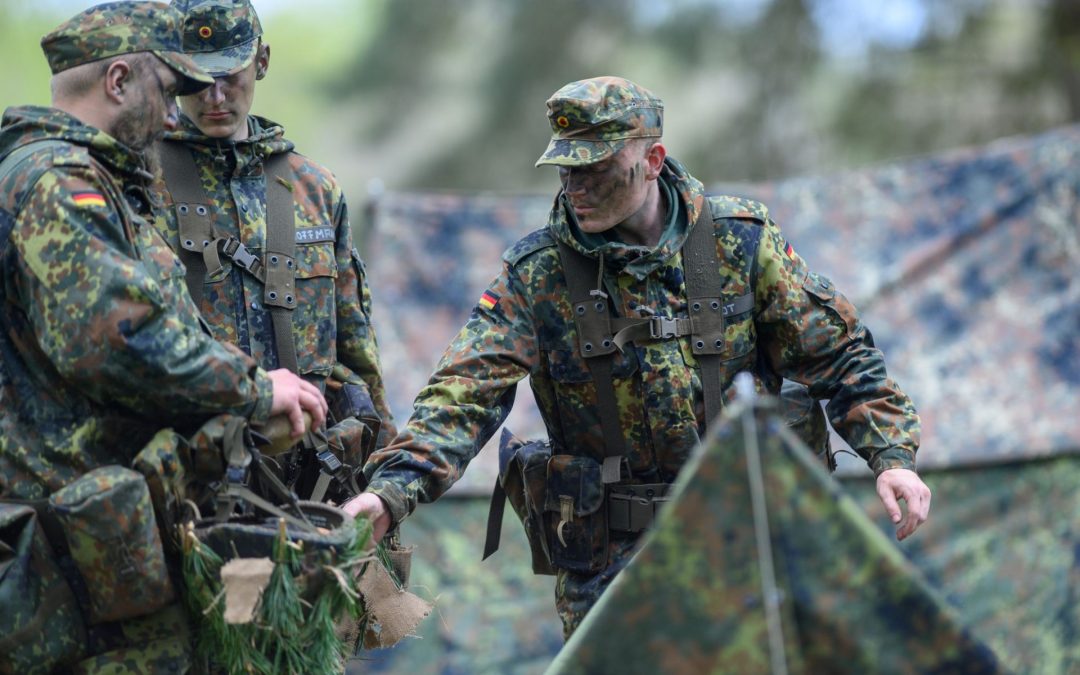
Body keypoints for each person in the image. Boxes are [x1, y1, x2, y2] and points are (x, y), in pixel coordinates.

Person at [345, 76, 932, 637]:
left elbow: (841, 356)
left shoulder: (740, 242)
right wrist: (390, 491)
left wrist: (892, 455)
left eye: (596, 168)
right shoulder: (538, 274)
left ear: (652, 161)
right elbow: (462, 395)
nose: (576, 188)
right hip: (611, 570)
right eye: (566, 170)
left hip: (752, 543)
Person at [0, 2, 326, 670]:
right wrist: (254, 389)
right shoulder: (58, 185)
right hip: (74, 576)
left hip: (103, 558)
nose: (180, 112)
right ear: (119, 81)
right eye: (168, 88)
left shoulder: (92, 183)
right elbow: (117, 339)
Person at [150, 0, 396, 500]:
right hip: (193, 480)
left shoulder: (315, 189)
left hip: (314, 480)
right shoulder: (140, 185)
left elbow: (355, 345)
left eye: (230, 76)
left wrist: (384, 470)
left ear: (261, 61)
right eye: (197, 79)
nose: (214, 96)